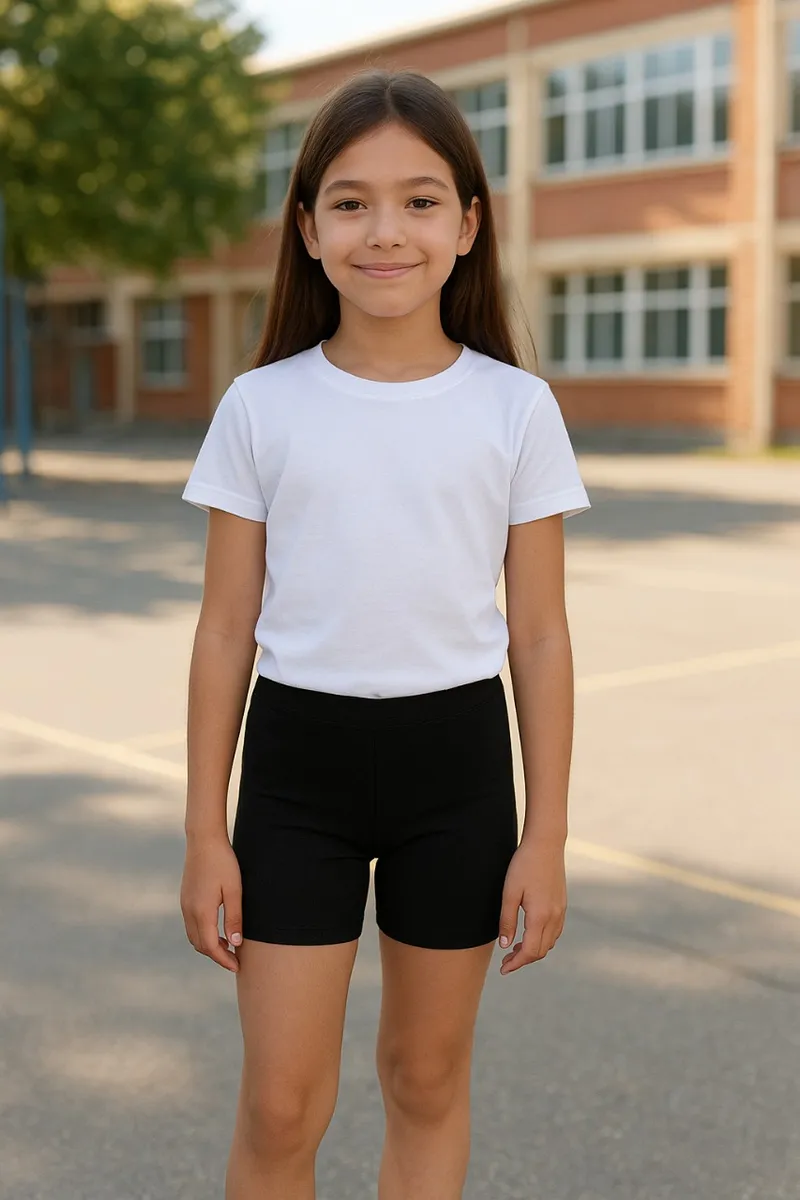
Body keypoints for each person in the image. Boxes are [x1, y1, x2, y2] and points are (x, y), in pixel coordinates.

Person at [179, 66, 590, 1200]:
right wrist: (203, 831)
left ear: (466, 224)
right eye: (350, 202)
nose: (384, 233)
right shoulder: (262, 405)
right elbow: (224, 632)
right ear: (307, 228)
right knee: (279, 1102)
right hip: (296, 772)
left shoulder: (515, 409)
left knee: (423, 1077)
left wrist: (545, 834)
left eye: (418, 201)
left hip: (455, 772)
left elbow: (541, 638)